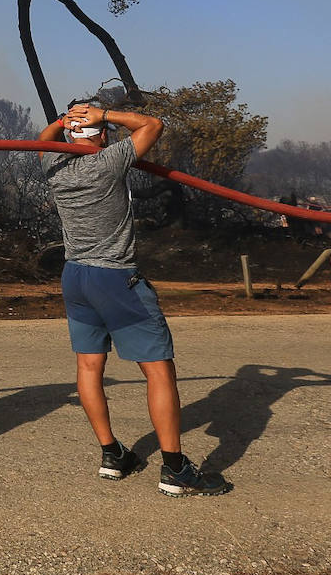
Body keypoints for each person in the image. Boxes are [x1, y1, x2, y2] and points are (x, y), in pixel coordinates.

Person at [37, 101, 232, 497]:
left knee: (89, 366)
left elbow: (43, 140)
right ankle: (175, 469)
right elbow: (153, 125)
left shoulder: (54, 168)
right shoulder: (108, 163)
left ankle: (112, 454)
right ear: (103, 138)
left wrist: (64, 121)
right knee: (159, 370)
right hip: (115, 279)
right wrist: (102, 114)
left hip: (75, 276)